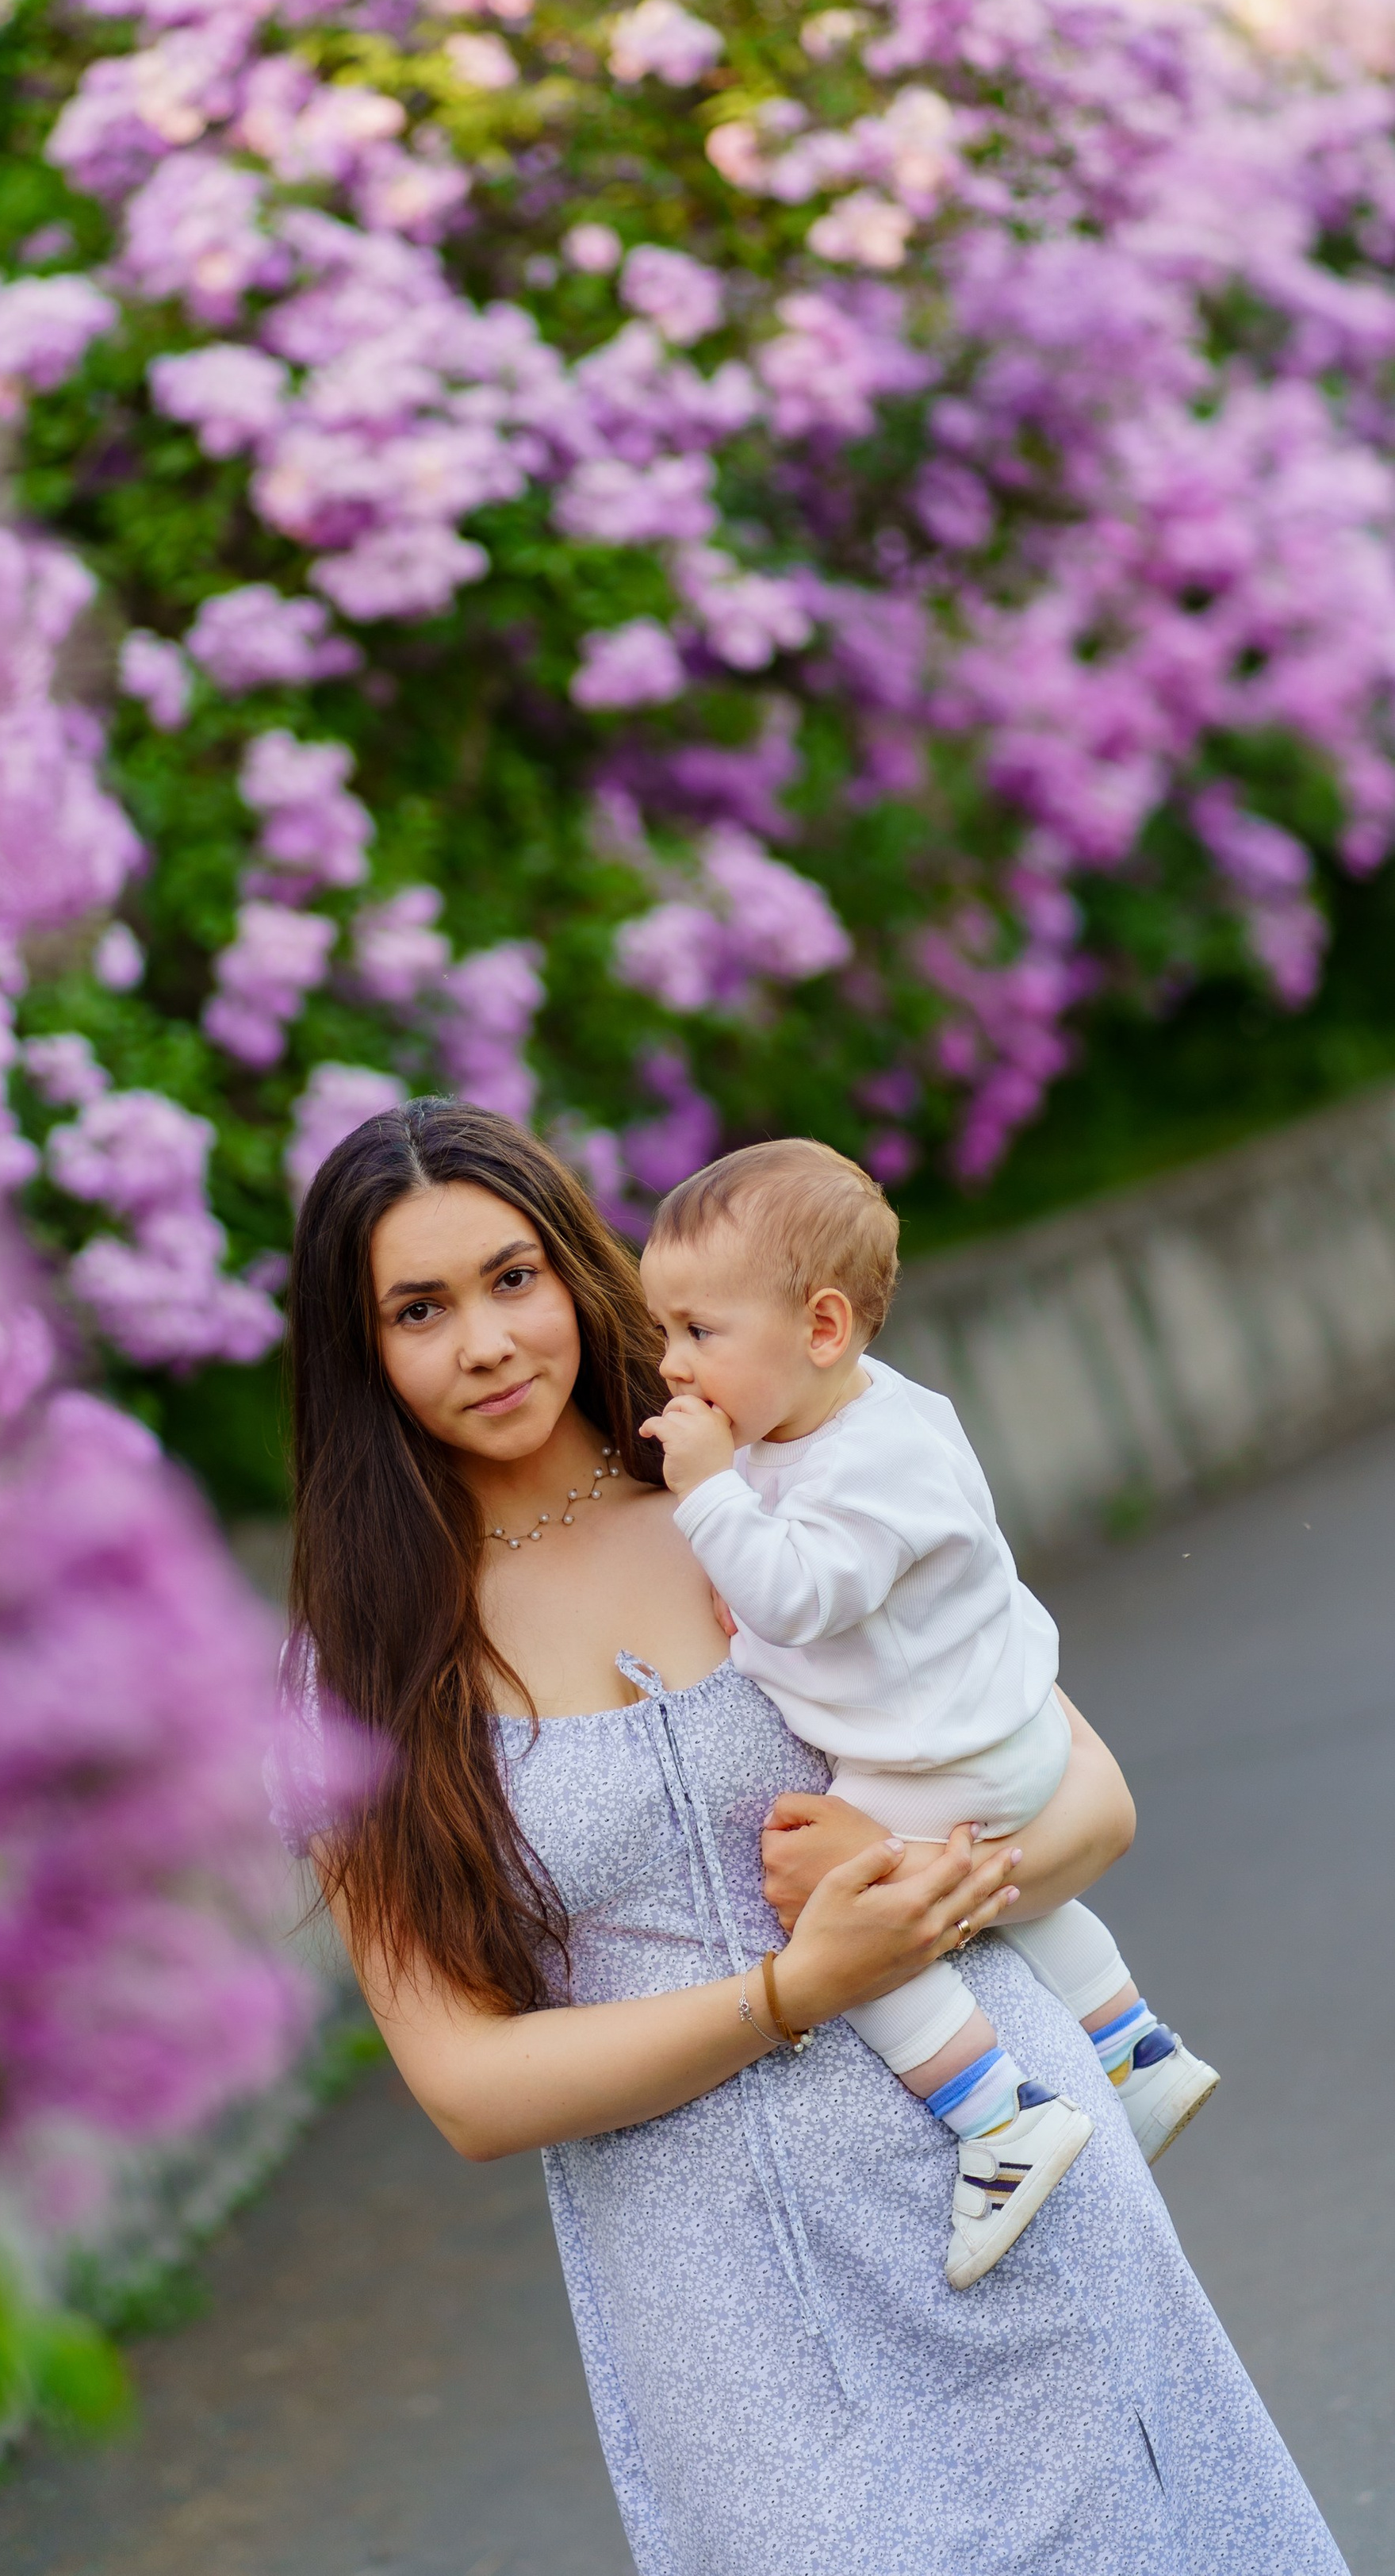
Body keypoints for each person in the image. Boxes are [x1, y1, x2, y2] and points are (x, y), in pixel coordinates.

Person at [277, 1095, 1343, 2576]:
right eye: (420, 1308)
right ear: (362, 1352)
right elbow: (467, 2085)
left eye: (514, 1277)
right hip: (724, 2310)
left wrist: (916, 1891)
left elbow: (1087, 1800)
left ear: (574, 1272)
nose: (488, 1342)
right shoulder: (366, 1676)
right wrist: (796, 1988)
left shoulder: (771, 1483)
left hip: (1009, 2178)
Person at [638, 1136, 1216, 2290]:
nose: (672, 1366)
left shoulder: (870, 1467)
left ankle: (998, 2115)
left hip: (943, 1754)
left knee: (841, 1908)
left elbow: (800, 1597)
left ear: (821, 1330)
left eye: (701, 1332)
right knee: (991, 1886)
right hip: (995, 1736)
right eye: (665, 1331)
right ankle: (1132, 2045)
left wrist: (703, 1494)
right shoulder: (847, 1418)